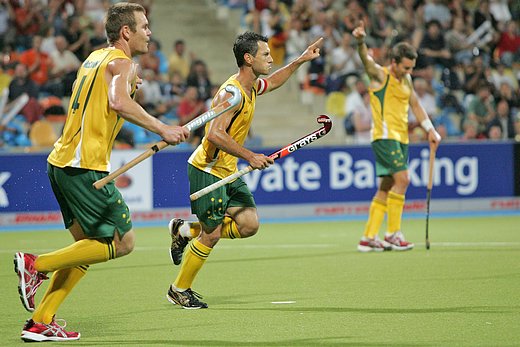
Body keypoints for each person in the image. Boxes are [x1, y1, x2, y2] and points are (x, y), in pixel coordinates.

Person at [13, 2, 189, 342]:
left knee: (87, 247)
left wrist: (131, 86)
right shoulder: (122, 62)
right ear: (127, 32)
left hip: (61, 163)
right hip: (85, 167)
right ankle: (36, 265)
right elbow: (118, 103)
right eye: (144, 26)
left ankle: (40, 322)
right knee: (123, 243)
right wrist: (163, 128)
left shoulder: (95, 58)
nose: (150, 32)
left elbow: (108, 101)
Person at [166, 31, 323, 309]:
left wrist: (300, 60)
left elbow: (273, 82)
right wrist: (250, 155)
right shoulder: (233, 93)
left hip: (227, 170)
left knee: (249, 224)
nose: (271, 58)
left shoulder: (251, 86)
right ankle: (179, 289)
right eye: (265, 54)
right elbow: (214, 133)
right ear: (248, 59)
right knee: (212, 235)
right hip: (208, 170)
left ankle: (186, 230)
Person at [352, 21, 441, 252]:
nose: (409, 72)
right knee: (403, 180)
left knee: (387, 185)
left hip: (401, 138)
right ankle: (392, 233)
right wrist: (361, 41)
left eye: (412, 68)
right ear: (394, 62)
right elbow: (365, 60)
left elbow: (416, 105)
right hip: (384, 137)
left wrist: (430, 129)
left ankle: (368, 237)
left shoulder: (407, 80)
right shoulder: (380, 76)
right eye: (406, 68)